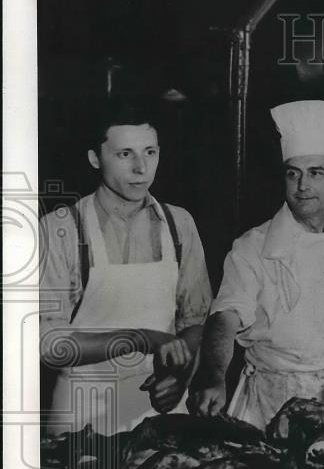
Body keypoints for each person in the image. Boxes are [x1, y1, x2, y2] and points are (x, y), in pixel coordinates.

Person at [187, 101, 324, 429]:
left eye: (316, 172)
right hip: (267, 406)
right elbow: (225, 318)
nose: (302, 185)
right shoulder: (252, 247)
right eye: (293, 174)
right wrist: (214, 375)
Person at [39, 96, 212, 435]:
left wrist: (180, 375)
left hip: (163, 412)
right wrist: (139, 338)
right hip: (82, 417)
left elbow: (195, 322)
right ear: (94, 158)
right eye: (125, 154)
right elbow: (50, 347)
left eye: (150, 152)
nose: (141, 168)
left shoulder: (179, 224)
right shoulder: (61, 229)